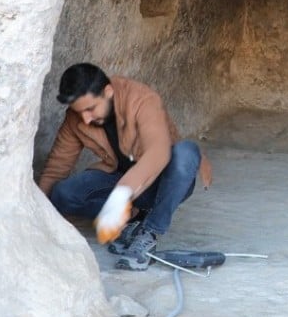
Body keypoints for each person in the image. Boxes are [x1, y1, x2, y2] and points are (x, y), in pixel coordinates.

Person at [38, 63, 212, 270]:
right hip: (120, 179)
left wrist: (121, 195)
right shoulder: (76, 118)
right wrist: (36, 215)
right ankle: (130, 220)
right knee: (62, 193)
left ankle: (149, 232)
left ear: (108, 92)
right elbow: (56, 168)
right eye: (79, 112)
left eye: (90, 109)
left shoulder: (142, 99)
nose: (85, 118)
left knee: (186, 152)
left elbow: (158, 152)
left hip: (163, 183)